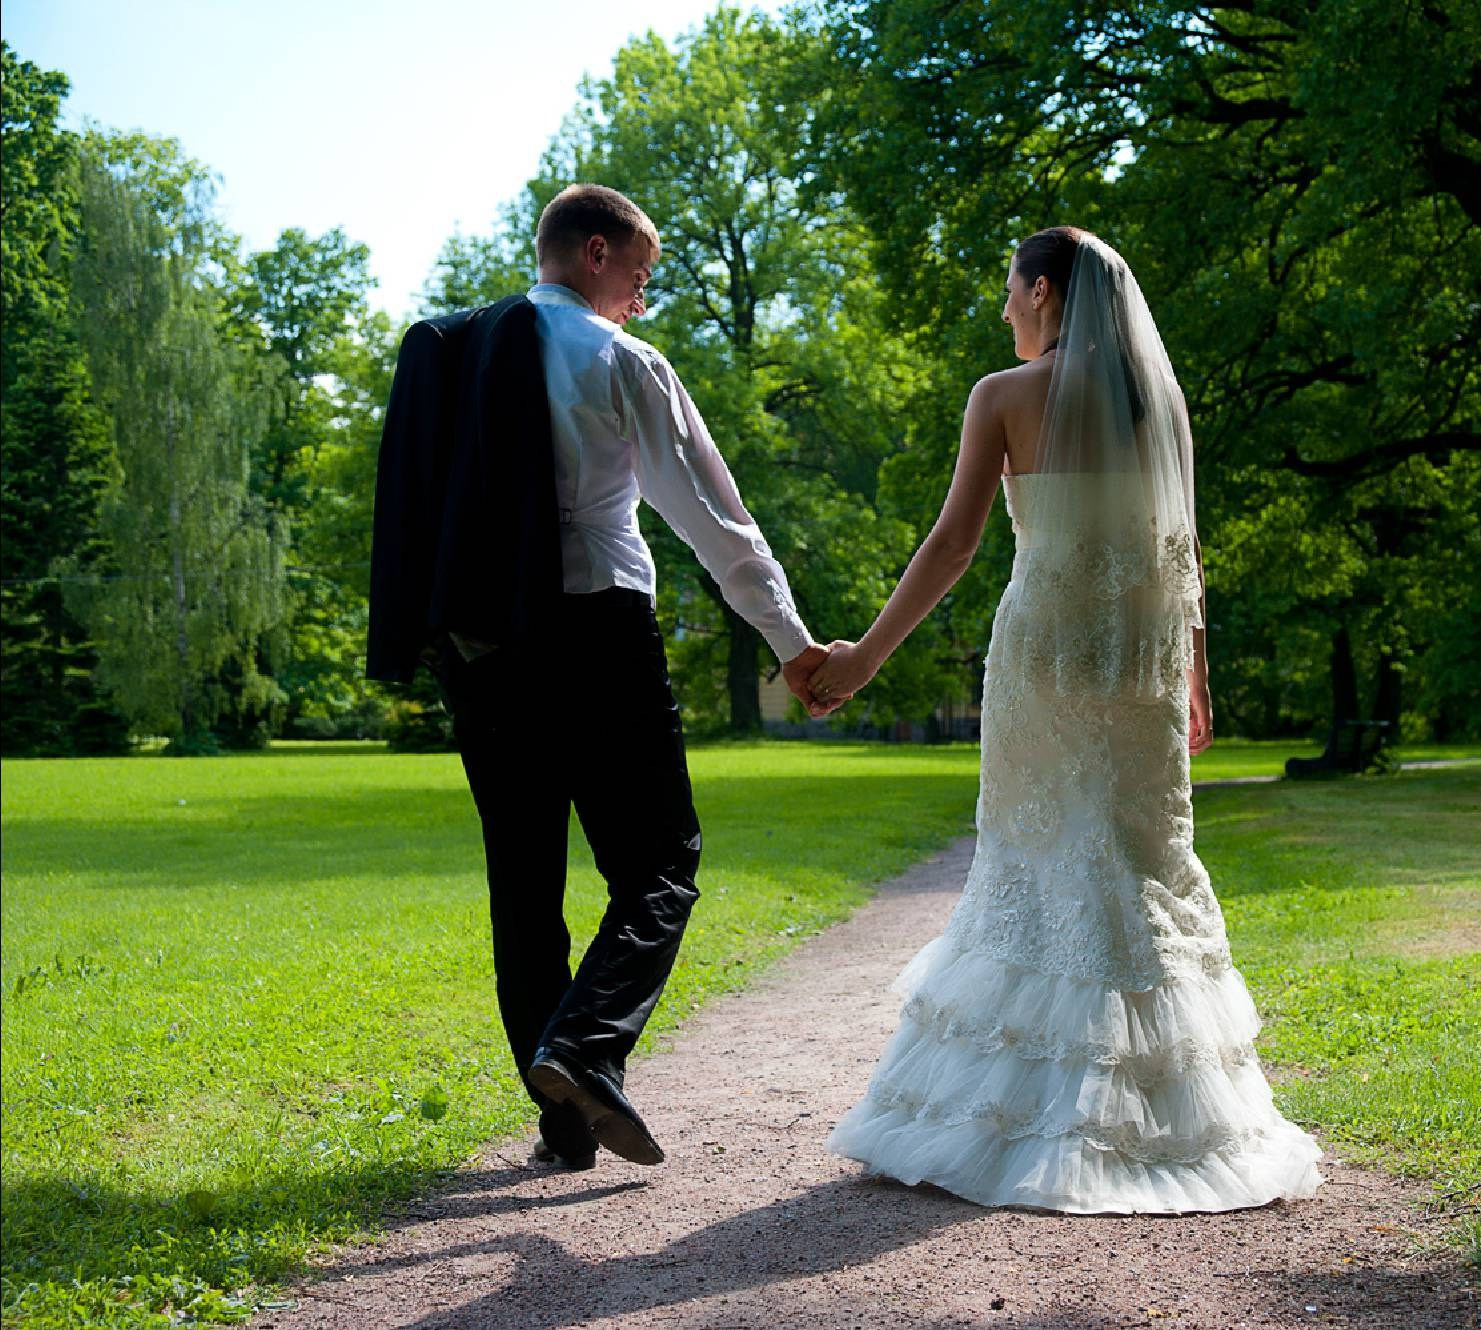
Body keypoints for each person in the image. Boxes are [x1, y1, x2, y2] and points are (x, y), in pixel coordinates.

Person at [809, 227, 1323, 1213]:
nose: (1004, 311)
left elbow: (956, 542)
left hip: (1045, 651)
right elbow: (1180, 549)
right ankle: (1173, 1114)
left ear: (1043, 292)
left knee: (1041, 857)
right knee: (1133, 861)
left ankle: (1011, 1109)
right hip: (1138, 657)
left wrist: (863, 658)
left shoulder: (1002, 398)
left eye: (1009, 292)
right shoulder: (1158, 403)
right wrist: (1195, 673)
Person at [368, 183, 830, 1170]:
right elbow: (714, 519)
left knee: (523, 886)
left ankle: (563, 1123)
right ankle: (583, 1048)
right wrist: (790, 642)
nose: (639, 297)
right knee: (661, 864)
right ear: (592, 254)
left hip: (484, 653)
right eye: (639, 276)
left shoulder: (450, 356)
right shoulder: (620, 360)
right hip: (599, 634)